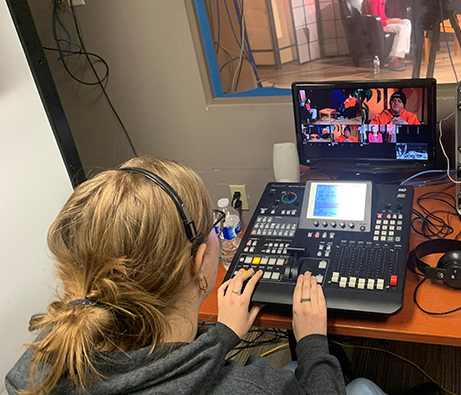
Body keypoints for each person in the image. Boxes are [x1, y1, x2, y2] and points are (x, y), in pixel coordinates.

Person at [5, 156, 385, 395]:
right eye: (214, 224)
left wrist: (220, 337)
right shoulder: (252, 387)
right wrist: (314, 344)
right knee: (363, 387)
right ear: (198, 261)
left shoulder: (37, 366)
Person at [361, 0, 412, 72]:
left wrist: (392, 20)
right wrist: (392, 21)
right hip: (377, 28)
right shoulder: (372, 0)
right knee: (402, 28)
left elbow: (383, 16)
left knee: (407, 22)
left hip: (382, 24)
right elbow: (376, 21)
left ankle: (401, 55)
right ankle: (394, 58)